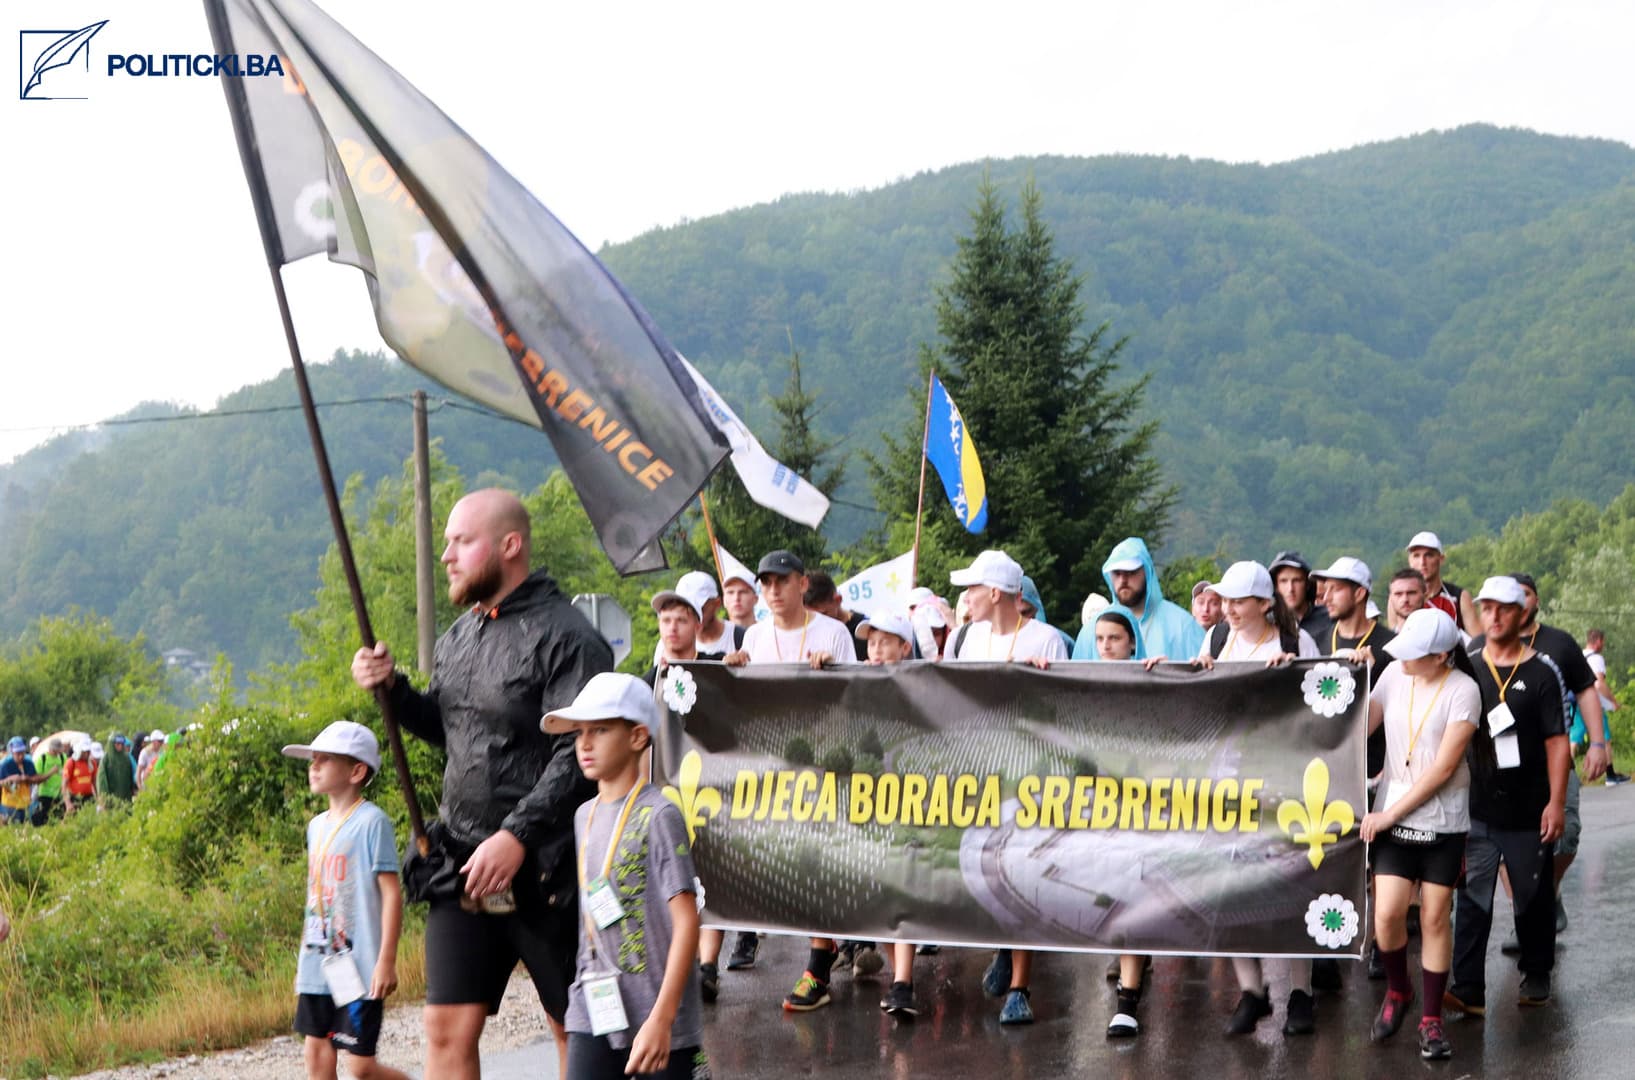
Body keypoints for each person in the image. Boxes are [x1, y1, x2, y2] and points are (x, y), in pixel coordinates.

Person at [351, 488, 614, 1080]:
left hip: (550, 869)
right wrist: (391, 690)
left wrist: (516, 835)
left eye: (460, 541)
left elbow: (579, 753)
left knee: (574, 1026)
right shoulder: (458, 637)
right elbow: (452, 733)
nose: (446, 555)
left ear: (509, 545)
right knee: (444, 1031)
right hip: (462, 864)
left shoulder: (569, 637)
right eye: (446, 542)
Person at [1154, 561, 1320, 1037]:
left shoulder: (1294, 644)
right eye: (1223, 600)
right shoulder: (1216, 641)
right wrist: (1179, 673)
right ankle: (1253, 992)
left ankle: (1301, 993)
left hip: (1283, 781)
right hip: (1226, 783)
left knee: (1290, 886)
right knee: (1226, 887)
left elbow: (1322, 704)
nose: (1227, 608)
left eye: (1237, 601)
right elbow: (1199, 702)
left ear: (1265, 604)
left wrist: (1296, 674)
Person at [543, 673, 708, 1080]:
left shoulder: (660, 814)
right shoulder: (585, 815)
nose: (584, 742)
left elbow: (687, 921)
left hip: (656, 1011)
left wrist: (662, 1019)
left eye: (599, 729)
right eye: (580, 731)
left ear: (637, 737)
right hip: (593, 1003)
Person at [724, 549, 860, 1009]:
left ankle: (818, 966)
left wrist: (833, 674)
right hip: (774, 771)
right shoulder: (755, 638)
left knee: (817, 861)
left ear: (803, 584)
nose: (772, 590)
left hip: (825, 768)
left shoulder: (834, 633)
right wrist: (734, 673)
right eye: (765, 583)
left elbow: (861, 702)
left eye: (782, 581)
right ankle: (830, 943)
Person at [945, 549, 1065, 1026]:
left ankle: (1020, 985)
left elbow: (1063, 708)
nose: (966, 597)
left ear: (995, 593)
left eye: (971, 588)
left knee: (1022, 875)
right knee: (987, 872)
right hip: (980, 772)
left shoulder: (1047, 639)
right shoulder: (966, 638)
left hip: (1031, 775)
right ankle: (1002, 945)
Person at [1358, 609, 1481, 1061]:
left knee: (1433, 917)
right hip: (1392, 819)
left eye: (1415, 655)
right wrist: (1354, 673)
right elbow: (1356, 726)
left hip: (1442, 822)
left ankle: (1431, 1019)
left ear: (1442, 655)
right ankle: (1398, 991)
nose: (1403, 659)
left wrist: (1389, 813)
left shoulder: (1464, 691)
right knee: (1387, 915)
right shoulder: (1392, 674)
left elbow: (1444, 769)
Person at [1445, 577, 1570, 1017]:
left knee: (1530, 897)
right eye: (1487, 608)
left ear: (1522, 614)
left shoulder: (1541, 673)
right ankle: (1467, 989)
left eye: (1503, 609)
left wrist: (1556, 802)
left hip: (1528, 810)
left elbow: (1557, 742)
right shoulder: (1470, 666)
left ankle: (1536, 973)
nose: (1494, 617)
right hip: (1477, 808)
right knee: (1473, 899)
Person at [1475, 573, 1607, 944]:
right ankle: (1527, 914)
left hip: (1552, 757)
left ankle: (1550, 891)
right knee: (1503, 849)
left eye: (1524, 596)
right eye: (1491, 606)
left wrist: (1597, 743)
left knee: (1564, 837)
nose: (1502, 611)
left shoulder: (1559, 644)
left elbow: (1586, 691)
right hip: (1496, 774)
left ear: (1530, 603)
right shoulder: (1478, 647)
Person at [283, 721, 410, 1080]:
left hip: (359, 967)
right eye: (313, 759)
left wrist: (386, 961)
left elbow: (391, 892)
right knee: (316, 1054)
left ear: (356, 770)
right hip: (317, 964)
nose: (314, 766)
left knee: (361, 1067)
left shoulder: (372, 822)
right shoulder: (316, 825)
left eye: (324, 759)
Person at [851, 611, 924, 1019]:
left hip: (910, 800)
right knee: (877, 885)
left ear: (904, 647)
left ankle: (903, 982)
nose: (876, 650)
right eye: (871, 642)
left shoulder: (926, 683)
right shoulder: (858, 681)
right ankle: (889, 968)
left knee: (902, 885)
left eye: (885, 642)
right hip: (868, 799)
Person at [1083, 605, 1152, 1037]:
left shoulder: (1150, 679)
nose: (1107, 646)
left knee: (1133, 900)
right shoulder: (1083, 681)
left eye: (1115, 638)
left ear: (1131, 642)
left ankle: (1127, 1002)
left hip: (1142, 809)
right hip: (1097, 809)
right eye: (1101, 639)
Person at [1074, 537, 1202, 661]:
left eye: (1131, 572)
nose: (1123, 580)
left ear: (1146, 572)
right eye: (1117, 573)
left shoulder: (1182, 625)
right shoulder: (1091, 630)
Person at [1405, 532, 1478, 632]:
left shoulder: (1459, 597)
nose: (1422, 562)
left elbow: (1478, 641)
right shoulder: (1398, 598)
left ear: (1441, 559)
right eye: (1416, 556)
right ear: (1410, 560)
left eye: (1429, 555)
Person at [1584, 629, 1628, 784]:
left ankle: (1569, 776)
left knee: (1573, 740)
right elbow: (1599, 683)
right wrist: (1613, 701)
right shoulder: (1596, 658)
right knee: (1605, 739)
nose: (1603, 645)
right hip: (1594, 704)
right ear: (1597, 641)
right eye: (1602, 641)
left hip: (1577, 704)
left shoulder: (1580, 655)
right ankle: (1610, 775)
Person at [1269, 551, 1333, 642]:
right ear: (1276, 587)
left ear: (1307, 584)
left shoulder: (1330, 618)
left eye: (1297, 580)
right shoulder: (1268, 623)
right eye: (1283, 581)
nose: (1290, 589)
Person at [804, 572, 868, 661]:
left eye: (823, 614)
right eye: (810, 616)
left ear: (838, 600)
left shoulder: (866, 632)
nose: (817, 621)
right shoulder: (804, 634)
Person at [1019, 575, 1075, 655]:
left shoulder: (1060, 641)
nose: (1020, 619)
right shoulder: (998, 643)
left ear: (1036, 609)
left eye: (1025, 612)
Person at [0, 738, 42, 826]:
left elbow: (36, 779)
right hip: (10, 803)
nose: (21, 756)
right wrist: (10, 779)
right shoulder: (5, 764)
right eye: (17, 753)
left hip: (25, 801)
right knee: (13, 826)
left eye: (22, 752)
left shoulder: (28, 763)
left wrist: (27, 778)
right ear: (12, 752)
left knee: (25, 826)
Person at [96, 733, 139, 806]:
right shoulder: (106, 759)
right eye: (117, 744)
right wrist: (104, 799)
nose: (120, 746)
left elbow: (131, 776)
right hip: (111, 798)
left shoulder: (126, 758)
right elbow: (102, 781)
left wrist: (134, 789)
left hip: (126, 797)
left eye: (122, 744)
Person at [31, 738, 66, 823]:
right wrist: (50, 773)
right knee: (44, 820)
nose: (57, 753)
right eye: (55, 751)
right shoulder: (42, 759)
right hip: (45, 795)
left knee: (58, 820)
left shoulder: (62, 757)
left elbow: (66, 772)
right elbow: (37, 780)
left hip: (59, 795)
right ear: (51, 749)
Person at [62, 742, 96, 815]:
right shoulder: (71, 762)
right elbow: (64, 785)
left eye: (89, 751)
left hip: (89, 797)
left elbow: (94, 782)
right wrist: (68, 803)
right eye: (85, 752)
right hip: (75, 798)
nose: (88, 753)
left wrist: (99, 798)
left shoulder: (92, 763)